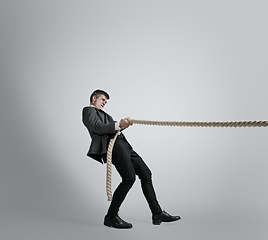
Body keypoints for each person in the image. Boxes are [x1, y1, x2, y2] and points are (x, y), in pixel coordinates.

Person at [82, 89, 181, 229]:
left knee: (146, 173)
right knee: (129, 178)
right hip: (115, 148)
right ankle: (111, 217)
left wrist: (123, 126)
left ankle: (157, 213)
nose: (104, 103)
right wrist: (118, 125)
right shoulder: (88, 110)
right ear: (94, 98)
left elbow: (112, 128)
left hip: (125, 147)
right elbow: (98, 128)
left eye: (105, 101)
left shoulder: (105, 114)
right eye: (102, 99)